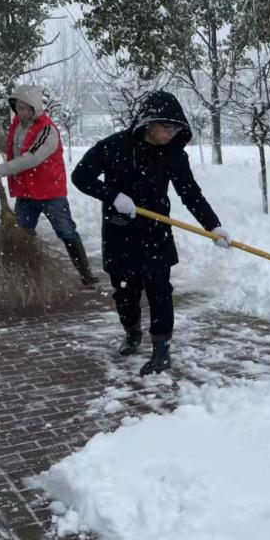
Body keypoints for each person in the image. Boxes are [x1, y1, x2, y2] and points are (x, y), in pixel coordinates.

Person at [71, 90, 231, 376]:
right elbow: (80, 176)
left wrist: (213, 226)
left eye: (176, 128)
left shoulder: (173, 155)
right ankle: (132, 332)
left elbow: (190, 194)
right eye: (166, 126)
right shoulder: (113, 146)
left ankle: (161, 349)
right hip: (119, 232)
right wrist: (113, 196)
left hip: (156, 233)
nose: (171, 133)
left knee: (160, 292)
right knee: (125, 292)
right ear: (148, 123)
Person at [0, 84, 97, 287]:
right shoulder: (18, 126)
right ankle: (25, 277)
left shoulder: (47, 130)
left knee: (66, 231)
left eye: (24, 107)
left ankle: (85, 273)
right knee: (22, 234)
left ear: (34, 106)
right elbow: (11, 148)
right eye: (17, 107)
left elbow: (32, 158)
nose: (20, 111)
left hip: (50, 192)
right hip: (26, 192)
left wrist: (4, 169)